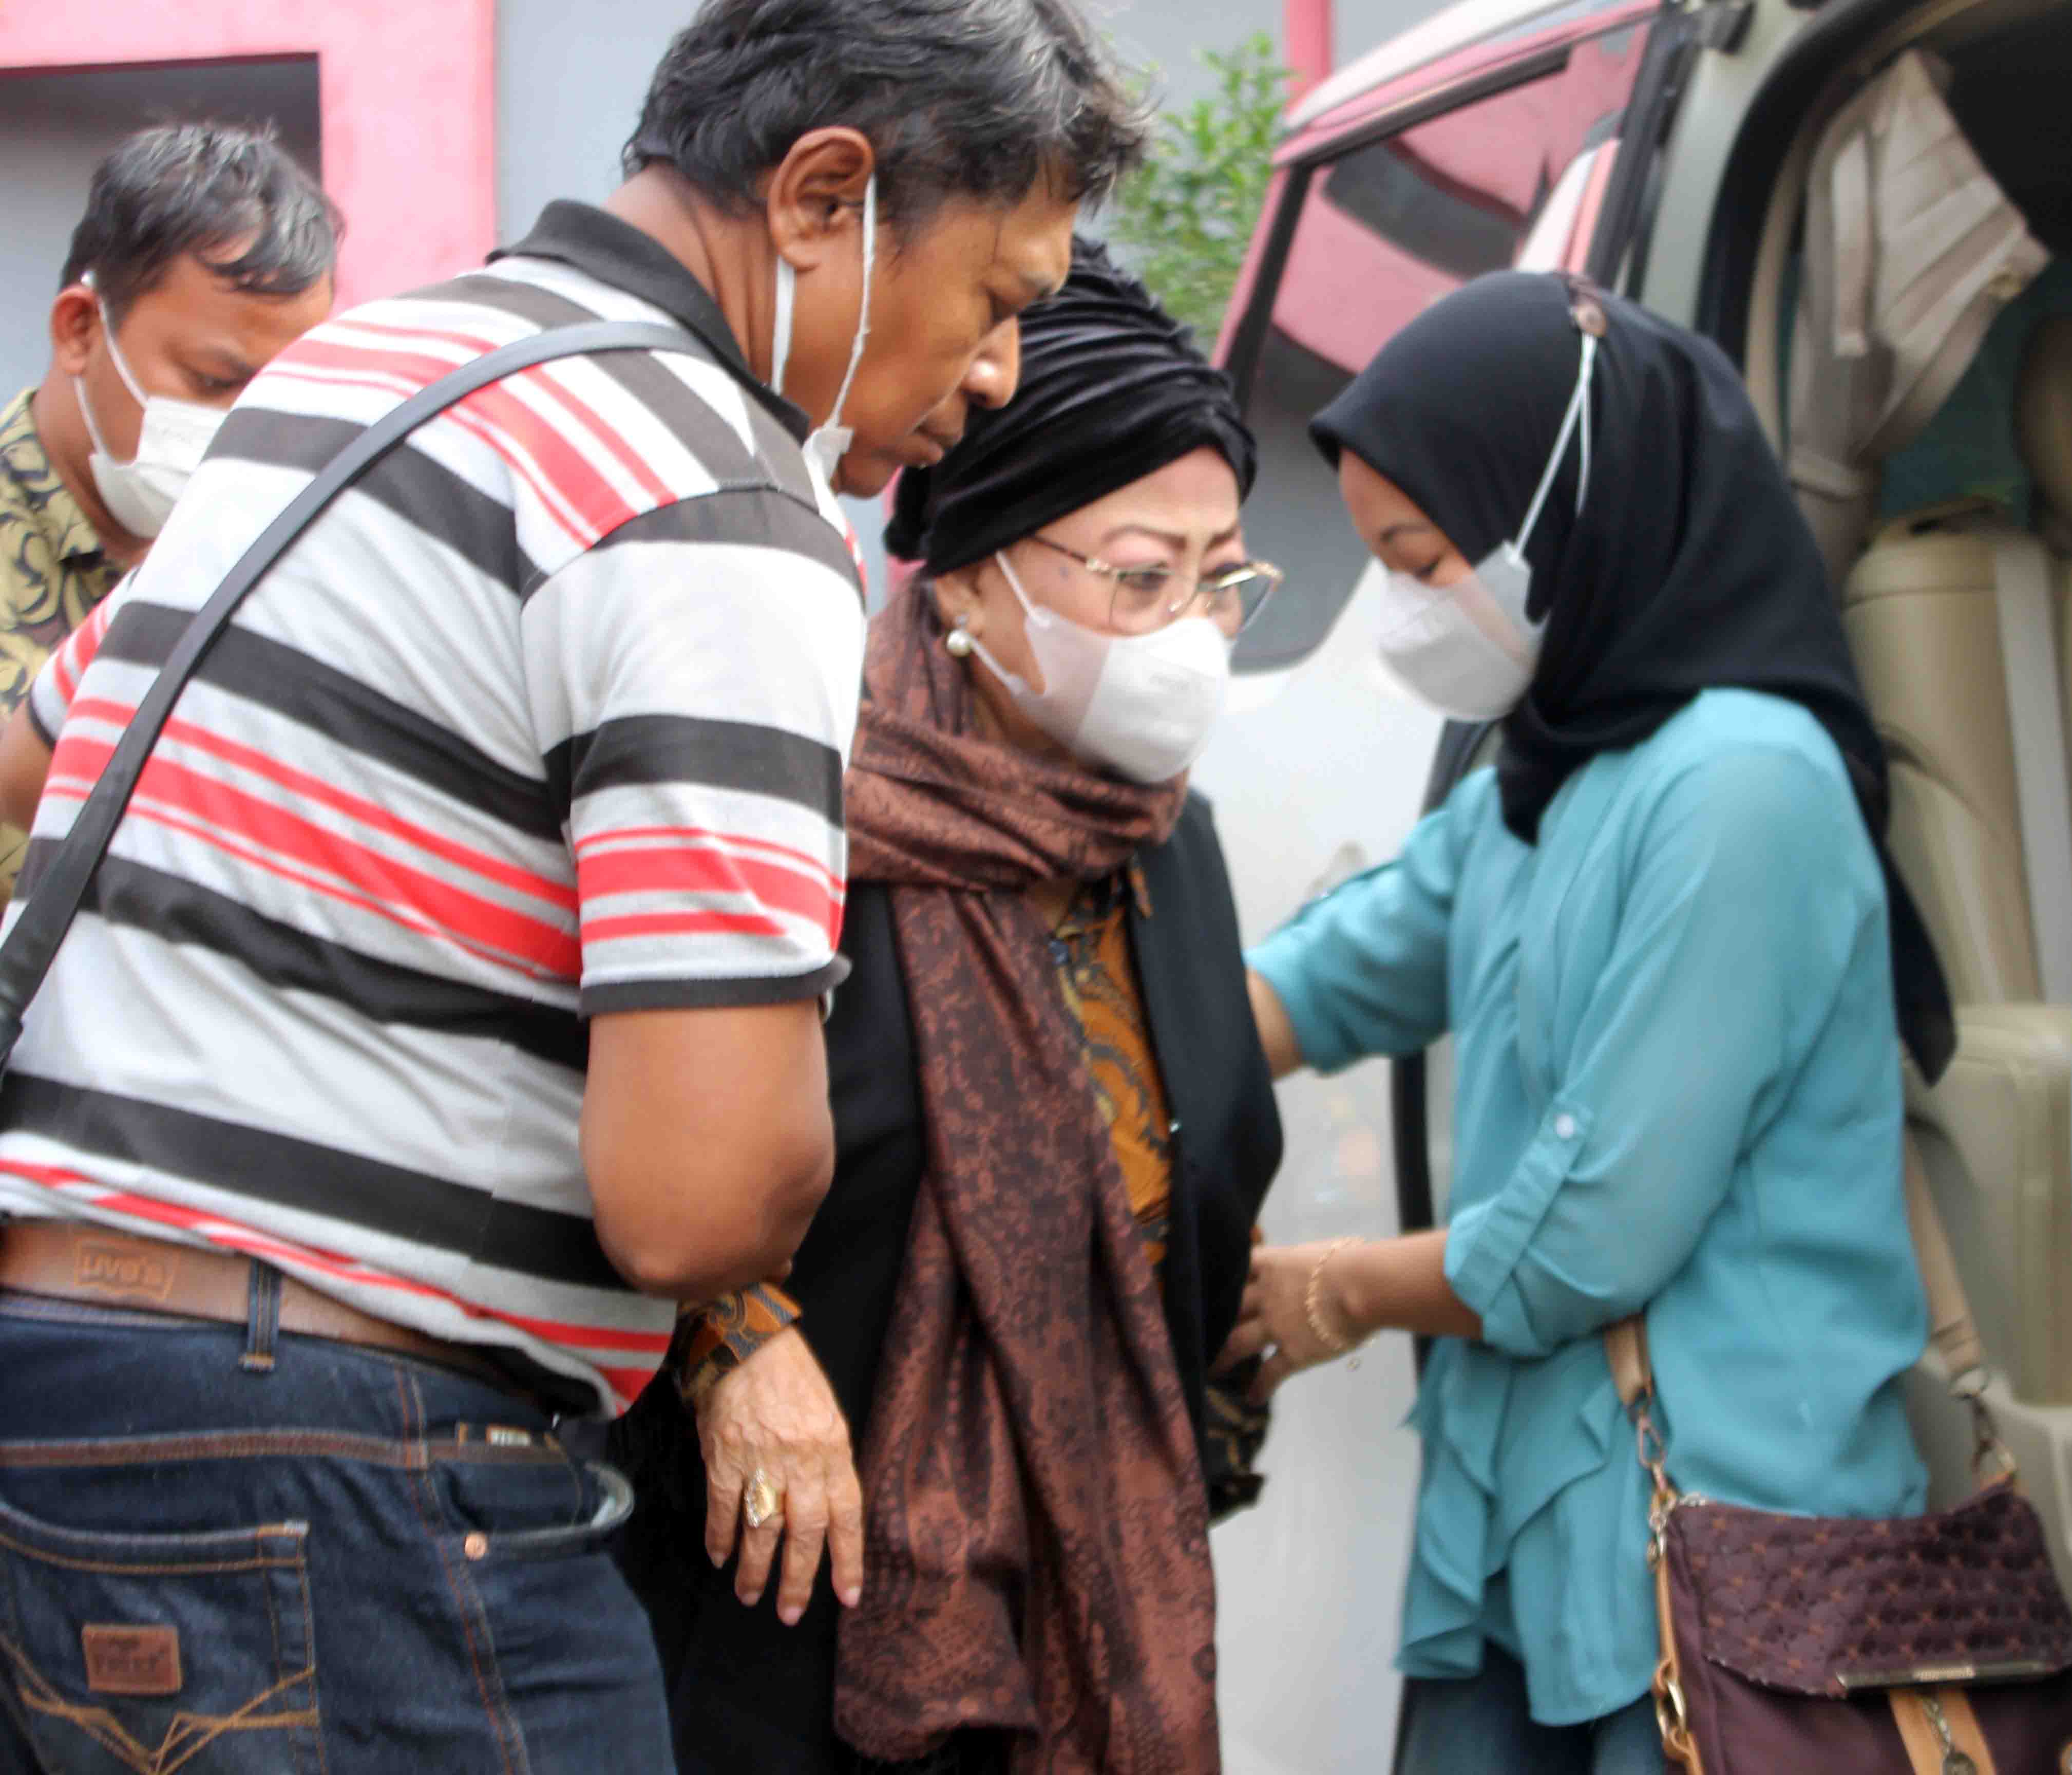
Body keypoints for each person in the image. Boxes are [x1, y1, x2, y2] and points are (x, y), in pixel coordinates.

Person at [0, 0, 1140, 1767]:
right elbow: (692, 1204)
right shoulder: (714, 496)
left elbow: (35, 755)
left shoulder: (355, 374)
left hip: (67, 1399)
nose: (995, 371)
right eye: (998, 298)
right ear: (824, 195)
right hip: (357, 1462)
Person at [1228, 272, 1962, 1775]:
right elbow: (1339, 968)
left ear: (1563, 502)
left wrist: (1335, 1292)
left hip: (1729, 1550)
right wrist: (1089, 1061)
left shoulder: (1742, 785)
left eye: (1423, 560)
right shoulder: (1547, 770)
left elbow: (1597, 1226)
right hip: (1531, 1518)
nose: (1408, 616)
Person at [611, 237, 1285, 1775]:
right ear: (972, 571)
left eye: (1223, 575)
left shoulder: (1169, 844)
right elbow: (615, 1138)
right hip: (782, 1648)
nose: (1192, 628)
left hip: (1090, 1634)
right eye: (1140, 575)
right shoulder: (800, 820)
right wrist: (736, 1336)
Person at [0, 122, 337, 899]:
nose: (249, 429)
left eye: (283, 395)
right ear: (81, 330)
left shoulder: (283, 561)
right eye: (214, 383)